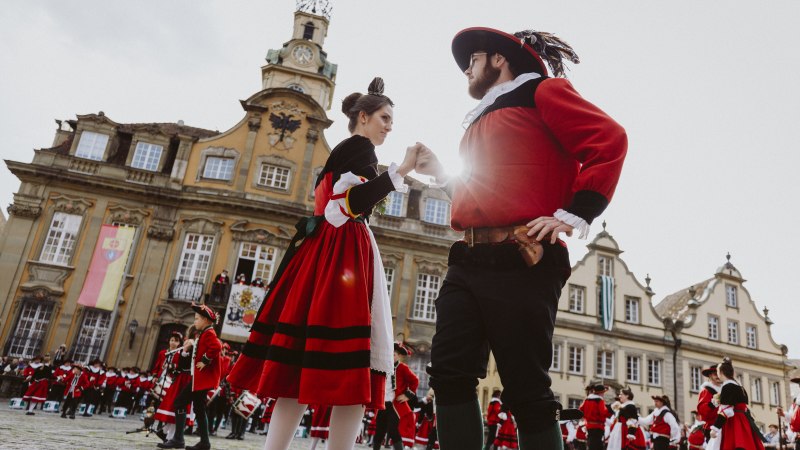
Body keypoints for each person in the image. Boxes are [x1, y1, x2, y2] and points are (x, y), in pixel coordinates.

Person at [416, 26, 627, 450]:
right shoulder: (483, 118)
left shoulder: (542, 92)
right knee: (448, 372)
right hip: (469, 257)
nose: (466, 71)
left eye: (471, 60)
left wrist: (576, 212)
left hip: (522, 256)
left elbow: (610, 139)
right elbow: (485, 195)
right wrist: (442, 173)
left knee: (525, 388)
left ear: (499, 59)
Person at [226, 77, 418, 450]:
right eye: (385, 117)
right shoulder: (360, 149)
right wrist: (402, 170)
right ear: (363, 117)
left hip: (320, 254)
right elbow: (344, 207)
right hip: (341, 253)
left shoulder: (347, 149)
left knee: (299, 366)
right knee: (352, 371)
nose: (390, 126)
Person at [158, 305, 222, 450]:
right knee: (199, 409)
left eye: (197, 319)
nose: (195, 322)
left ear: (205, 320)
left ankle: (178, 439)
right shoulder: (204, 332)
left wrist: (205, 360)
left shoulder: (208, 333)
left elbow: (217, 347)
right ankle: (204, 443)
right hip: (201, 379)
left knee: (179, 403)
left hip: (201, 379)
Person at [709, 357, 765, 450]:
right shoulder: (739, 386)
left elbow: (726, 410)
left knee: (733, 445)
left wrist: (715, 428)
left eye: (717, 371)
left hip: (734, 422)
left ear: (721, 372)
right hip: (744, 420)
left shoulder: (727, 386)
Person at [373, 343, 420, 450]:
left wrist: (407, 395)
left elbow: (415, 381)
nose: (391, 357)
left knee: (394, 430)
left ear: (398, 356)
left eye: (393, 355)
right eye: (389, 354)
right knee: (379, 431)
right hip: (382, 404)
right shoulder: (382, 367)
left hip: (395, 405)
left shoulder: (403, 368)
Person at [579, 383, 610, 450]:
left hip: (589, 426)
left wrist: (587, 417)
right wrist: (609, 410)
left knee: (591, 444)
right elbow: (603, 412)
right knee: (597, 445)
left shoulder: (587, 400)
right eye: (603, 392)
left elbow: (581, 410)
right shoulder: (600, 400)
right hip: (598, 426)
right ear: (601, 393)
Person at [697, 364, 722, 447]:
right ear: (710, 375)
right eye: (715, 374)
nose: (718, 376)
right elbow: (702, 410)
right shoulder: (706, 391)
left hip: (725, 427)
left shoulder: (725, 389)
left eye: (719, 374)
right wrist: (713, 404)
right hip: (712, 427)